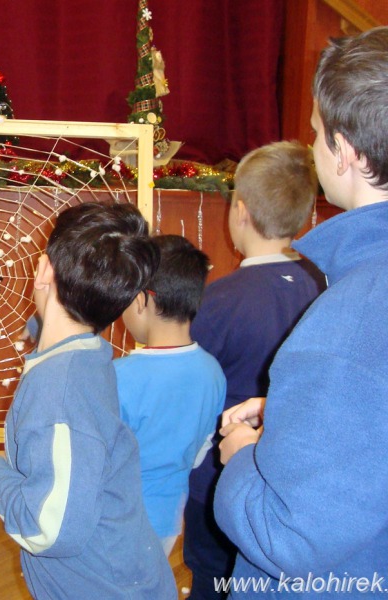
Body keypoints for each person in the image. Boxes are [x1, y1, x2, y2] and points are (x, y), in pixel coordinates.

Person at [214, 26, 388, 598]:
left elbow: (290, 538)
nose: (311, 145)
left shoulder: (347, 326)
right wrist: (299, 410)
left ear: (347, 153)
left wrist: (240, 458)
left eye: (316, 131)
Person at [0, 202, 176, 599]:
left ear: (42, 270)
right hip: (122, 573)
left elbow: (48, 529)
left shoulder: (60, 393)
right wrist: (40, 324)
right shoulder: (85, 350)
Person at [183, 140, 327, 599]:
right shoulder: (325, 286)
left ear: (239, 212)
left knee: (212, 580)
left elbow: (191, 394)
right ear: (304, 217)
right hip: (295, 483)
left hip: (220, 485)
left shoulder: (218, 299)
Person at [114, 235, 225, 557]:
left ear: (141, 301)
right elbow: (198, 453)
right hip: (167, 523)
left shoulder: (120, 376)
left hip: (117, 523)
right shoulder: (213, 371)